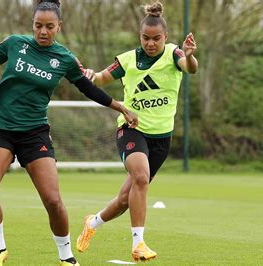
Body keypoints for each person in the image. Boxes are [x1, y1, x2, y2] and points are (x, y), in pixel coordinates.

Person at [0, 1, 137, 264]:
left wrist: (120, 106)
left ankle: (66, 257)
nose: (43, 31)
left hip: (34, 133)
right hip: (0, 128)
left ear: (59, 26)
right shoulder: (15, 43)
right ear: (32, 25)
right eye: (38, 26)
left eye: (50, 26)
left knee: (52, 200)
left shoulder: (65, 59)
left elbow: (88, 88)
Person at [76, 1, 198, 262]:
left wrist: (188, 55)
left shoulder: (175, 55)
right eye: (146, 38)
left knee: (124, 199)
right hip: (131, 130)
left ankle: (92, 223)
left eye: (156, 39)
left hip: (161, 139)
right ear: (139, 36)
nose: (150, 43)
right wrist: (90, 75)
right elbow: (100, 77)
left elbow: (191, 68)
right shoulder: (128, 60)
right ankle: (138, 244)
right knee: (141, 178)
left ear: (165, 37)